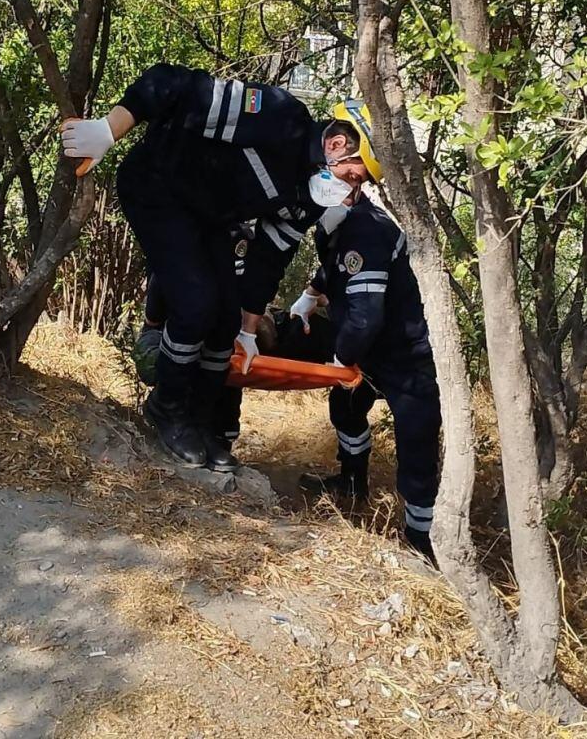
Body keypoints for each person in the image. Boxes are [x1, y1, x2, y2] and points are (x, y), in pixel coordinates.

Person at [61, 65, 362, 473]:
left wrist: (249, 330)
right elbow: (171, 82)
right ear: (336, 144)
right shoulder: (280, 117)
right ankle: (167, 407)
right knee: (195, 305)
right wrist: (109, 129)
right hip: (158, 187)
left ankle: (199, 422)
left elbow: (269, 259)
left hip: (211, 216)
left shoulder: (312, 196)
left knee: (225, 320)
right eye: (353, 176)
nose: (351, 190)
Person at [285, 104, 442, 561]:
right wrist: (312, 293)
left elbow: (366, 315)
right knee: (346, 408)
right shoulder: (337, 222)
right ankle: (351, 482)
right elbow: (337, 269)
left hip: (406, 355)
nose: (355, 182)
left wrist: (341, 359)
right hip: (372, 349)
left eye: (360, 178)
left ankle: (421, 540)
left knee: (416, 443)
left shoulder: (367, 230)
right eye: (355, 172)